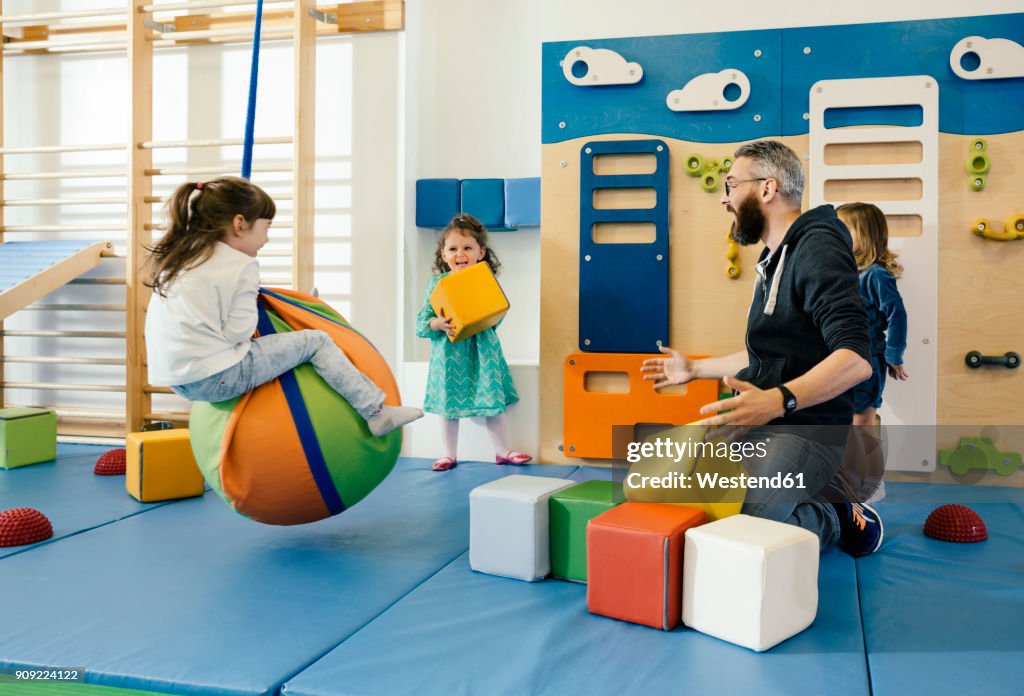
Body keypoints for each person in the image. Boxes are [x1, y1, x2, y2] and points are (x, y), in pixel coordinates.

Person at [641, 140, 885, 557]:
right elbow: (767, 357)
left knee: (748, 523)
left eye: (731, 184)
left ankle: (835, 513)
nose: (725, 198)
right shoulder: (775, 259)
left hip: (808, 431)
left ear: (768, 189)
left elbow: (856, 360)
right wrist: (694, 369)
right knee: (692, 501)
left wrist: (778, 400)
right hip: (766, 422)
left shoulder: (818, 246)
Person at [144, 176, 422, 437]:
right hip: (218, 377)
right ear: (239, 223)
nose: (266, 239)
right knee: (316, 341)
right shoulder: (242, 265)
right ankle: (376, 411)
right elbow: (238, 334)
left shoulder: (182, 257)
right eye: (267, 227)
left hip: (175, 379)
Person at [416, 214, 531, 471]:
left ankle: (502, 450)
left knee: (492, 403)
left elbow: (496, 314)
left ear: (481, 253)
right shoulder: (437, 285)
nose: (461, 254)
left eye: (468, 248)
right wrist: (438, 324)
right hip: (449, 354)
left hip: (482, 352)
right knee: (448, 408)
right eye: (453, 249)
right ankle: (448, 453)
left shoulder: (485, 280)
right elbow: (423, 321)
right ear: (443, 255)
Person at [835, 202, 908, 427]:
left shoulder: (875, 275)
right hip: (841, 359)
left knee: (861, 423)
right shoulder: (843, 272)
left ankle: (866, 463)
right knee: (844, 422)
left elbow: (897, 315)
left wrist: (893, 356)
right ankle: (848, 462)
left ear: (865, 235)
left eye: (844, 229)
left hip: (867, 360)